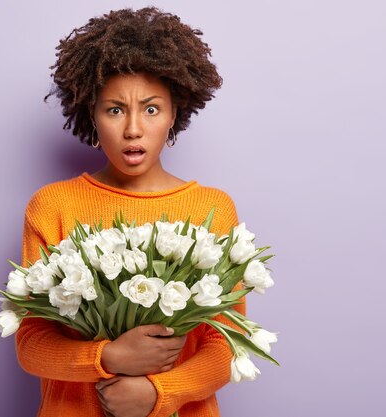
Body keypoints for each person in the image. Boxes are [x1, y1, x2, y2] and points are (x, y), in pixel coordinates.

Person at [16, 7, 246, 417]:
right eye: (115, 109)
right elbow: (31, 344)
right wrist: (108, 358)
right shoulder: (53, 206)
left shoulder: (213, 210)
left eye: (152, 109)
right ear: (92, 115)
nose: (133, 129)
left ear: (175, 113)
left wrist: (160, 393)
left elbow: (225, 344)